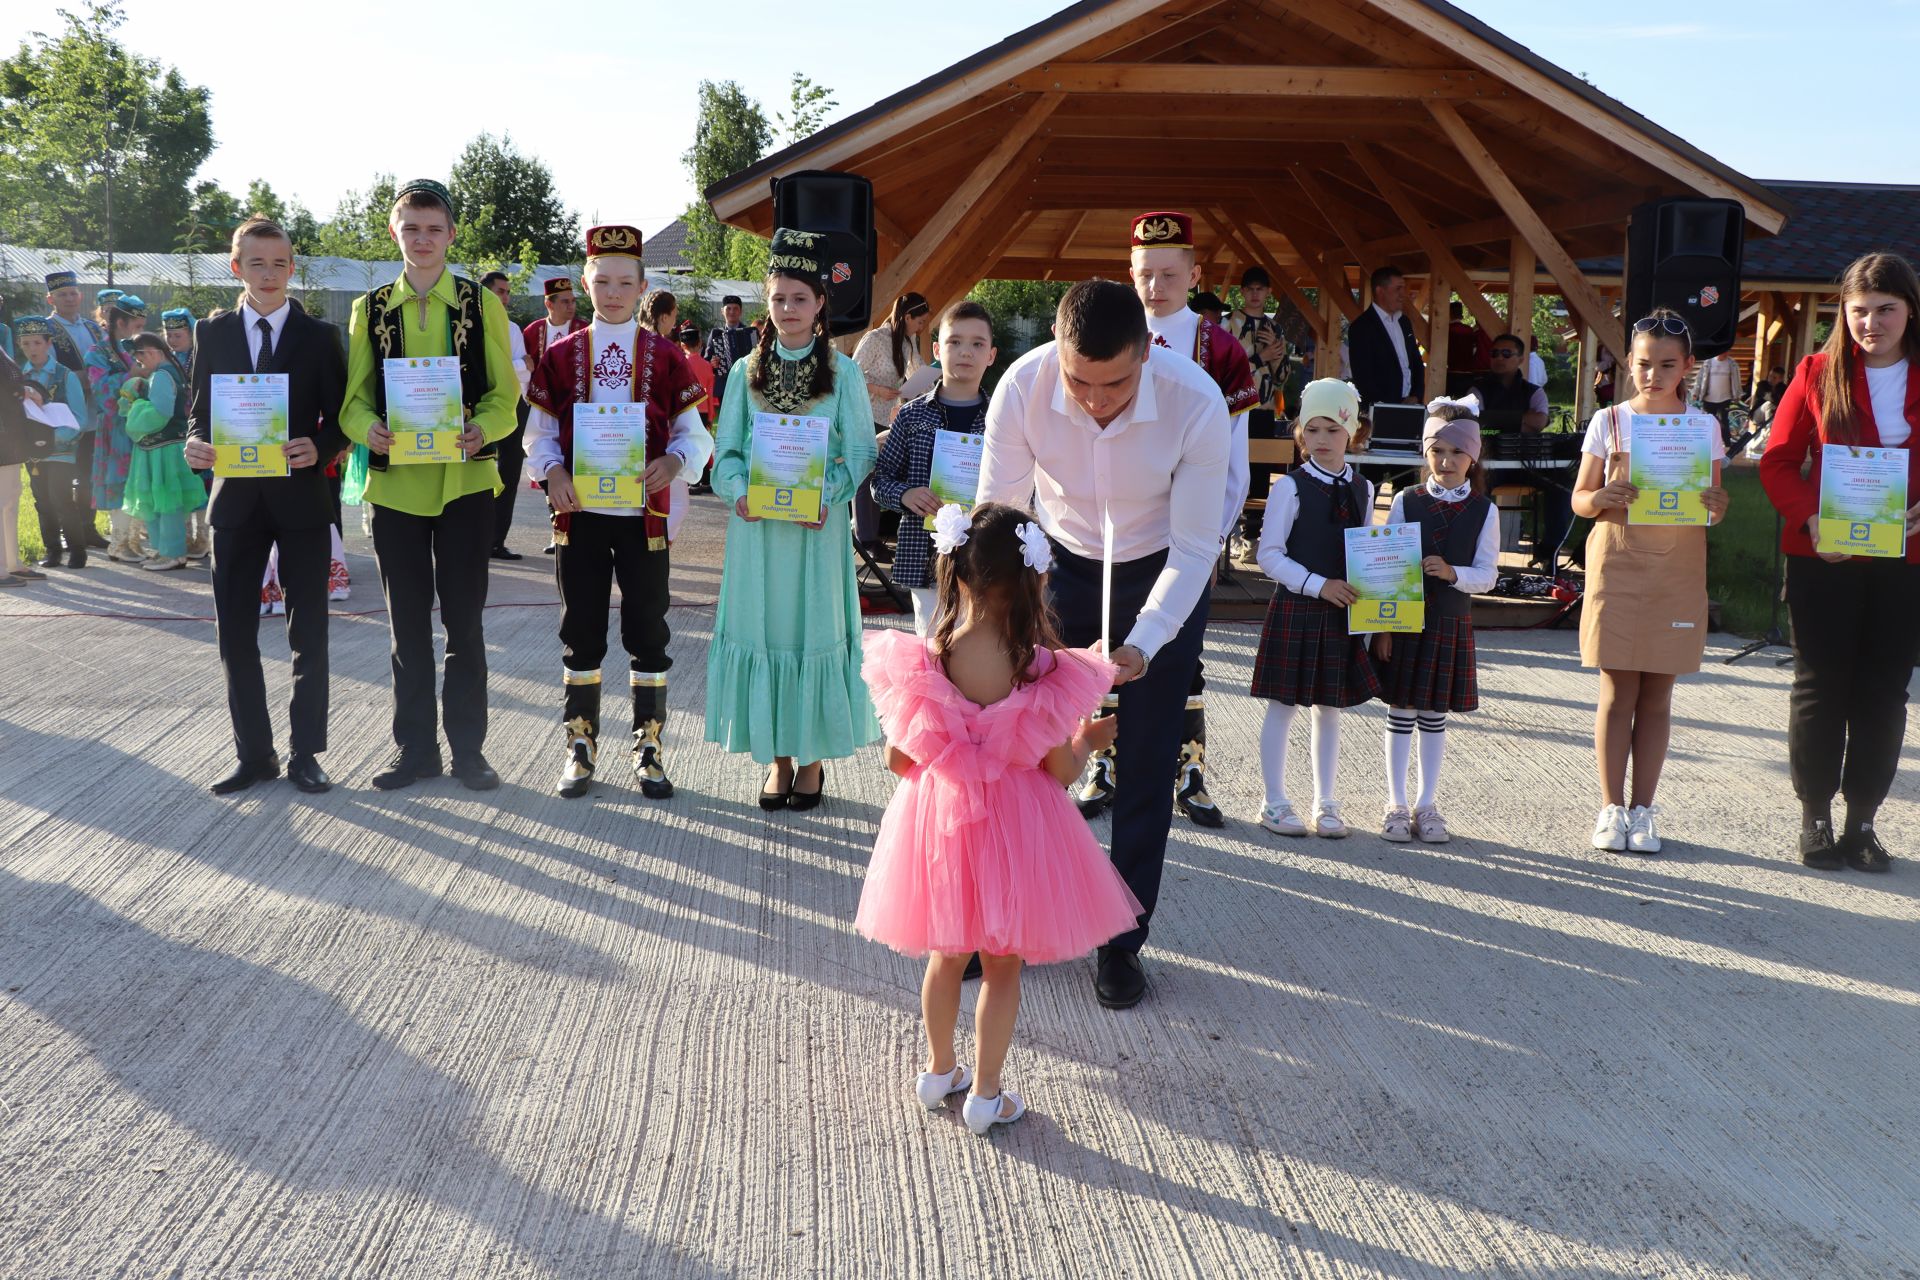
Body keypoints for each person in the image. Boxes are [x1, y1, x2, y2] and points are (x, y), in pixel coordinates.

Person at [978, 278, 1228, 1010]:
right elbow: (1002, 519)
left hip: (1162, 568)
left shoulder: (1197, 402)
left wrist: (1144, 644)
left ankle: (1121, 942)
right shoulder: (1021, 387)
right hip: (1054, 563)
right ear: (1055, 352)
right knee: (1019, 756)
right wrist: (1003, 625)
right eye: (1079, 380)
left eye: (1115, 383)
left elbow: (1193, 547)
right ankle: (999, 928)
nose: (1094, 400)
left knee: (1148, 761)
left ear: (1148, 353)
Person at [855, 502, 1140, 1135]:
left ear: (954, 573)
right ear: (1034, 579)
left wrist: (959, 751)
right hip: (1018, 825)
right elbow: (1060, 772)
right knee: (1002, 962)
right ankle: (986, 1094)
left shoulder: (926, 658)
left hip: (940, 821)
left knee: (946, 953)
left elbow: (899, 761)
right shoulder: (1038, 666)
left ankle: (937, 1071)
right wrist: (1087, 742)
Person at [340, 177, 518, 791]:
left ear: (450, 234)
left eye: (434, 228)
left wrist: (483, 427)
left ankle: (468, 751)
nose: (422, 239)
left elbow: (505, 394)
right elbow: (353, 400)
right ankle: (414, 750)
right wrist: (369, 430)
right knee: (406, 628)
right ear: (395, 231)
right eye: (411, 228)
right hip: (396, 495)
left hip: (466, 485)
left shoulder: (480, 303)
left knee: (464, 625)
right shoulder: (370, 309)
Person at [524, 224, 712, 800]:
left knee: (647, 631)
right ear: (585, 283)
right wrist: (552, 471)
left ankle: (649, 749)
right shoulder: (559, 358)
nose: (611, 292)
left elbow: (695, 435)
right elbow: (539, 435)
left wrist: (676, 464)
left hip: (642, 518)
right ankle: (580, 748)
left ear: (642, 286)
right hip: (579, 515)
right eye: (601, 281)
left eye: (623, 283)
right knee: (580, 632)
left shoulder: (666, 357)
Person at [705, 228, 879, 810]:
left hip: (814, 532)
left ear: (821, 304)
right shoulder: (743, 373)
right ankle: (778, 759)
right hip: (758, 533)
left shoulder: (844, 373)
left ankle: (811, 762)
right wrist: (738, 493)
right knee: (768, 632)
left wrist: (829, 495)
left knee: (810, 633)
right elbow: (725, 450)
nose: (788, 310)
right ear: (766, 302)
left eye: (800, 299)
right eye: (778, 299)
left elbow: (860, 452)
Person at [1758, 252, 1920, 873]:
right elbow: (1777, 461)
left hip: (1905, 560)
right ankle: (1816, 816)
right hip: (1824, 554)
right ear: (1843, 312)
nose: (1872, 323)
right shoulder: (1815, 371)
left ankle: (1864, 823)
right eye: (1859, 311)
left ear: (1910, 310)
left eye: (1886, 309)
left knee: (1884, 693)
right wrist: (1809, 517)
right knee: (1820, 687)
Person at [183, 213, 348, 795]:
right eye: (257, 263)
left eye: (280, 263)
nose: (270, 273)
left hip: (301, 501)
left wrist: (321, 444)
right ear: (237, 267)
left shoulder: (320, 336)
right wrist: (194, 444)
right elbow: (199, 410)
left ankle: (307, 754)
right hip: (235, 504)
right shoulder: (214, 332)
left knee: (310, 634)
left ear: (292, 268)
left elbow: (342, 420)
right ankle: (254, 755)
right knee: (236, 635)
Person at [1572, 309, 1729, 855]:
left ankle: (1645, 810)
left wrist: (1718, 504)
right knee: (1617, 692)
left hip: (1677, 569)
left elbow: (1712, 510)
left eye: (1666, 365)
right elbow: (1580, 499)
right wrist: (1602, 498)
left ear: (1687, 366)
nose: (1653, 374)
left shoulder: (1704, 428)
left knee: (1659, 693)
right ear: (1628, 363)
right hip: (1618, 563)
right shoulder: (1609, 421)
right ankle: (1610, 808)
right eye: (1643, 363)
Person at [1119, 210, 1257, 832]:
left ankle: (1188, 764)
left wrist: (1210, 537)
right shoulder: (1110, 331)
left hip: (1187, 531)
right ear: (1131, 272)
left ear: (1193, 273)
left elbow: (1235, 455)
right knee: (1110, 637)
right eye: (1145, 274)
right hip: (1116, 526)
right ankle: (1107, 759)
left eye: (1169, 274)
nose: (1155, 287)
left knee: (1183, 647)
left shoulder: (1219, 347)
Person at [1250, 378, 1380, 839]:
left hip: (1341, 614)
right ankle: (1274, 801)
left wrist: (1372, 619)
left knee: (1330, 708)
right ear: (1300, 433)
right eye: (1312, 429)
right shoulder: (1291, 487)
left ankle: (1326, 803)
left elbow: (1367, 555)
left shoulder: (1364, 489)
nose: (1321, 440)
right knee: (1283, 705)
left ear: (1353, 432)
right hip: (1299, 608)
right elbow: (1267, 555)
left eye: (1332, 430)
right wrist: (1317, 585)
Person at [1371, 397, 1497, 843]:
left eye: (1457, 452)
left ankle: (1427, 804)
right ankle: (1395, 804)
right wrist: (1382, 626)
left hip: (1449, 622)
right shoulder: (1406, 500)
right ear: (1425, 453)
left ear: (1473, 457)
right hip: (1405, 623)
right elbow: (1385, 565)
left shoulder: (1486, 510)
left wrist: (1452, 573)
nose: (1446, 461)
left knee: (1433, 715)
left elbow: (1488, 575)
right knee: (1400, 710)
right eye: (1437, 451)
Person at [871, 300, 998, 633]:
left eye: (977, 344)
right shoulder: (911, 416)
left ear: (991, 355)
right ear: (937, 350)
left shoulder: (1004, 421)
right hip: (923, 555)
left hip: (986, 558)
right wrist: (905, 495)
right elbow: (880, 481)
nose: (965, 352)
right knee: (931, 652)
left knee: (980, 657)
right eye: (954, 342)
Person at [851, 292, 931, 560]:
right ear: (907, 317)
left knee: (880, 474)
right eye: (919, 322)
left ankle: (871, 535)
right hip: (865, 414)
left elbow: (918, 373)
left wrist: (936, 388)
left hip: (889, 418)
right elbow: (851, 375)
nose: (921, 328)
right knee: (866, 474)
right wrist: (876, 389)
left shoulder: (907, 342)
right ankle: (866, 537)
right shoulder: (875, 338)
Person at [119, 332, 206, 572]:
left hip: (163, 449)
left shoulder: (161, 376)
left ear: (152, 352)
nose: (139, 363)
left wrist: (135, 407)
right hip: (165, 446)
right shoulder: (171, 372)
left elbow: (161, 412)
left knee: (166, 503)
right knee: (162, 501)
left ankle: (173, 553)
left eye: (140, 357)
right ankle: (163, 550)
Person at [15, 317, 92, 569]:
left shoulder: (65, 375)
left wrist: (53, 439)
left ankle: (78, 551)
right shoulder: (19, 377)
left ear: (49, 343)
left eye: (37, 342)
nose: (32, 348)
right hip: (33, 453)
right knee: (42, 501)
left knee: (61, 498)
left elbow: (79, 418)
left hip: (61, 450)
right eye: (26, 344)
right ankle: (53, 551)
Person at [41, 272, 108, 553]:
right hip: (65, 417)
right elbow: (50, 370)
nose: (68, 299)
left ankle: (87, 527)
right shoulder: (46, 330)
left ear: (81, 296)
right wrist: (81, 379)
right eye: (62, 295)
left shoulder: (94, 328)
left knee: (89, 474)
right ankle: (68, 530)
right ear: (50, 299)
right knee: (64, 476)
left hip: (95, 414)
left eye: (72, 293)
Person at [523, 277, 588, 553]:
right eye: (564, 301)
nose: (571, 306)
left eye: (573, 301)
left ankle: (580, 528)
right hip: (545, 410)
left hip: (577, 414)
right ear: (548, 303)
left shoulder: (583, 330)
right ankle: (557, 528)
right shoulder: (533, 331)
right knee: (550, 467)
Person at [86, 293, 150, 562]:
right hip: (116, 429)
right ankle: (119, 543)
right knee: (119, 483)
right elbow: (101, 392)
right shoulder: (97, 353)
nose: (141, 332)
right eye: (137, 326)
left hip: (142, 425)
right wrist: (132, 375)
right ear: (120, 322)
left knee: (139, 482)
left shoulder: (138, 348)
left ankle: (135, 541)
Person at [480, 270, 531, 561]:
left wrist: (518, 367)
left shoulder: (512, 328)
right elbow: (488, 371)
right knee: (479, 473)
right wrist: (517, 366)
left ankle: (497, 541)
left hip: (514, 405)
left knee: (509, 475)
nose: (506, 298)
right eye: (501, 291)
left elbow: (524, 370)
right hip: (480, 408)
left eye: (508, 292)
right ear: (485, 292)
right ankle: (476, 538)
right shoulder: (469, 323)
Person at [1347, 266, 1424, 412]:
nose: (1403, 295)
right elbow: (1363, 375)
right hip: (1380, 410)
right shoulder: (1362, 326)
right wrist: (1386, 407)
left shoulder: (1404, 322)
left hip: (1411, 405)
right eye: (1398, 289)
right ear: (1380, 291)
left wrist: (1416, 395)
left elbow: (1416, 362)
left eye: (1403, 289)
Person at [1469, 334, 1550, 433]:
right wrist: (1524, 419)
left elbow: (1540, 422)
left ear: (1521, 359)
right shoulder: (1476, 391)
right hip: (1487, 448)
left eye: (1506, 353)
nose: (1499, 358)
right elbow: (1476, 427)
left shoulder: (1535, 392)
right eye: (1494, 353)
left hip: (1524, 448)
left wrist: (1490, 419)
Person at [701, 293, 755, 419]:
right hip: (724, 383)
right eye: (728, 308)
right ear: (722, 311)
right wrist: (712, 363)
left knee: (744, 416)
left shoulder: (750, 333)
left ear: (740, 311)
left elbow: (756, 356)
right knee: (726, 418)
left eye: (735, 308)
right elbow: (707, 359)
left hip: (744, 381)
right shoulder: (716, 333)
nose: (732, 312)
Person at [1444, 299, 1493, 399]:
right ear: (1461, 314)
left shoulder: (1446, 330)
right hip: (1469, 376)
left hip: (1451, 376)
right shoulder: (1470, 331)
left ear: (1449, 314)